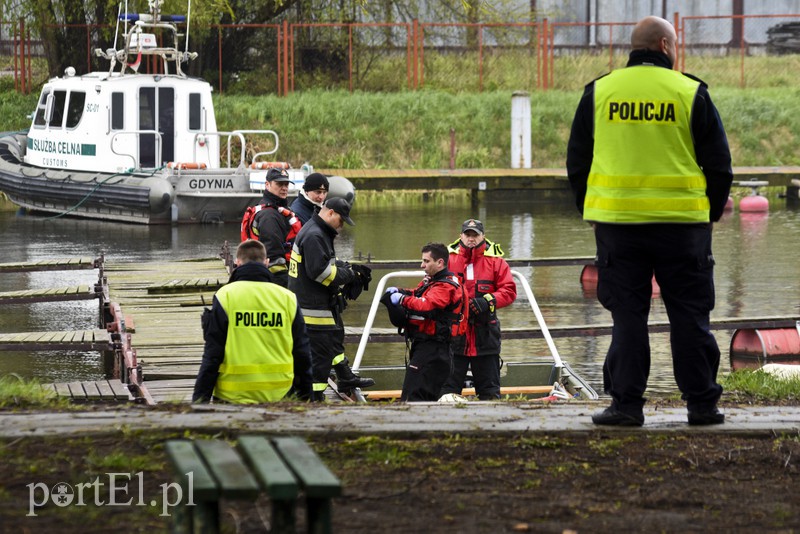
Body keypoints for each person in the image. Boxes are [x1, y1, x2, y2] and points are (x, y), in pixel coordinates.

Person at [566, 16, 733, 426]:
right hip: (683, 228)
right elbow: (719, 165)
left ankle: (625, 406)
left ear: (633, 47)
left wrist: (592, 212)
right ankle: (701, 406)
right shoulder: (690, 92)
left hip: (618, 227)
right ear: (664, 45)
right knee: (690, 316)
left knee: (628, 317)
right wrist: (709, 215)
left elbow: (577, 161)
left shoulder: (600, 92)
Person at [192, 239, 313, 404]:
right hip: (280, 396)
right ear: (267, 262)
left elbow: (213, 353)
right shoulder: (287, 298)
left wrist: (199, 402)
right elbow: (302, 354)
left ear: (237, 263)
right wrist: (306, 399)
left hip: (232, 397)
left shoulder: (225, 296)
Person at [288, 197, 374, 400]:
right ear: (330, 213)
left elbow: (326, 262)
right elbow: (321, 273)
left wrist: (347, 266)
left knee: (334, 339)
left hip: (317, 305)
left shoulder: (318, 231)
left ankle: (344, 376)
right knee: (319, 359)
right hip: (313, 311)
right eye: (341, 220)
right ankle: (313, 398)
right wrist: (351, 275)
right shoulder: (315, 235)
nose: (341, 226)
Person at [440, 219, 517, 400]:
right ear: (461, 236)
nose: (471, 238)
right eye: (468, 234)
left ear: (483, 236)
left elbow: (509, 291)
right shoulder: (447, 260)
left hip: (485, 337)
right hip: (453, 338)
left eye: (475, 235)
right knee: (446, 392)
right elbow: (434, 288)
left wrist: (487, 301)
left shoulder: (497, 262)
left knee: (490, 393)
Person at [384, 242, 466, 402]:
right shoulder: (433, 281)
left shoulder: (445, 286)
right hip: (427, 347)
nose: (422, 265)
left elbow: (426, 304)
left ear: (440, 263)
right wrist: (401, 291)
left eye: (426, 261)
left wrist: (401, 299)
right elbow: (418, 294)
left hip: (434, 350)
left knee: (412, 397)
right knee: (420, 396)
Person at [249, 167, 301, 288]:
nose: (284, 188)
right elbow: (273, 258)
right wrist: (287, 286)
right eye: (279, 184)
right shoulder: (269, 216)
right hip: (276, 282)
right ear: (267, 185)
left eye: (286, 184)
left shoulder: (278, 210)